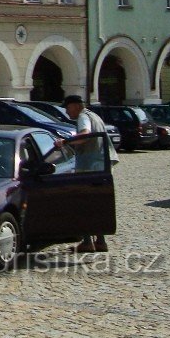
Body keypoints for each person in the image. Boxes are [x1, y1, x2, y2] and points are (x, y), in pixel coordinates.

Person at [63, 94, 115, 253]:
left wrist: (65, 142)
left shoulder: (83, 117)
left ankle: (87, 242)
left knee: (84, 203)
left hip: (89, 167)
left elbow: (85, 134)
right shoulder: (95, 116)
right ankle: (100, 241)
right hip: (102, 166)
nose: (66, 111)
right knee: (98, 204)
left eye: (68, 107)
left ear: (76, 105)